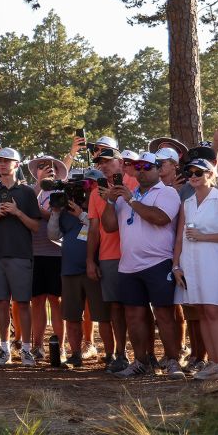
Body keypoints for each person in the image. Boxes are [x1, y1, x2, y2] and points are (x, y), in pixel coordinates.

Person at [102, 152, 184, 378]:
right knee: (133, 315)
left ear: (158, 169)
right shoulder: (128, 195)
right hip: (128, 265)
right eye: (138, 166)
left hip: (158, 261)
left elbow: (160, 218)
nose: (142, 170)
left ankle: (172, 361)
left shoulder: (167, 192)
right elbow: (109, 227)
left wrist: (130, 200)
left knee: (164, 313)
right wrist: (110, 200)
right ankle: (141, 361)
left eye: (147, 166)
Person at [0, 148, 41, 366]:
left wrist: (17, 212)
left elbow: (35, 225)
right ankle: (4, 349)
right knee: (1, 303)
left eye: (7, 161)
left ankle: (25, 350)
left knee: (23, 303)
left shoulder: (27, 193)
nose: (2, 164)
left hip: (21, 254)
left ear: (17, 164)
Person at [48, 169, 108, 368]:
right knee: (72, 316)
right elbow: (53, 235)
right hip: (70, 270)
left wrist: (82, 214)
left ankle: (112, 354)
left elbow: (102, 229)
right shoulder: (64, 209)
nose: (80, 191)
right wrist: (56, 213)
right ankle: (75, 355)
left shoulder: (99, 205)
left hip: (95, 268)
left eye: (85, 186)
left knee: (103, 315)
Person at [173, 158, 218, 380]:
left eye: (198, 172)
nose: (193, 176)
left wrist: (204, 237)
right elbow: (180, 238)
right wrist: (176, 265)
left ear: (210, 174)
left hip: (213, 262)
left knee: (212, 311)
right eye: (190, 172)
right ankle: (213, 362)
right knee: (201, 312)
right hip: (190, 263)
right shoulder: (187, 203)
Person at [88, 147, 131, 372]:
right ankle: (120, 354)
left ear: (120, 162)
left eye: (108, 161)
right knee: (115, 306)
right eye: (100, 163)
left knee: (139, 308)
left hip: (136, 254)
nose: (103, 166)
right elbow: (94, 230)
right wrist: (90, 261)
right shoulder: (96, 192)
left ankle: (148, 356)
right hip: (109, 255)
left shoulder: (134, 183)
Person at [27, 154, 67, 360]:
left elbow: (55, 217)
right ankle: (38, 345)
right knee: (37, 300)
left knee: (56, 300)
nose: (48, 169)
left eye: (52, 167)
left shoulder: (63, 191)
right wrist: (40, 183)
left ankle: (59, 346)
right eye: (42, 167)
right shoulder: (32, 190)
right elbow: (26, 204)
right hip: (35, 252)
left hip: (57, 253)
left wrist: (41, 211)